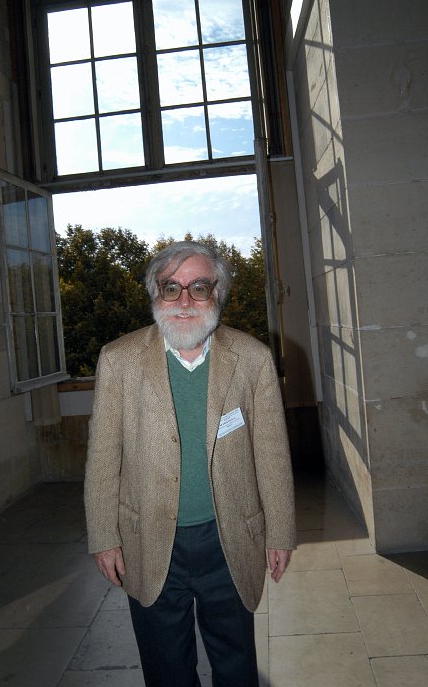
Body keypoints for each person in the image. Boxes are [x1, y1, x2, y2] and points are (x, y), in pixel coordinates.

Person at [84, 240, 297, 687]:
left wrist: (280, 531)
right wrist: (104, 536)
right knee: (166, 668)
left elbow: (272, 454)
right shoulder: (118, 360)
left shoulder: (252, 359)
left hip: (229, 538)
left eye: (199, 287)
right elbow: (103, 457)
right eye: (170, 288)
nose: (184, 301)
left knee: (236, 665)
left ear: (218, 293)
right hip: (148, 540)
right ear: (155, 294)